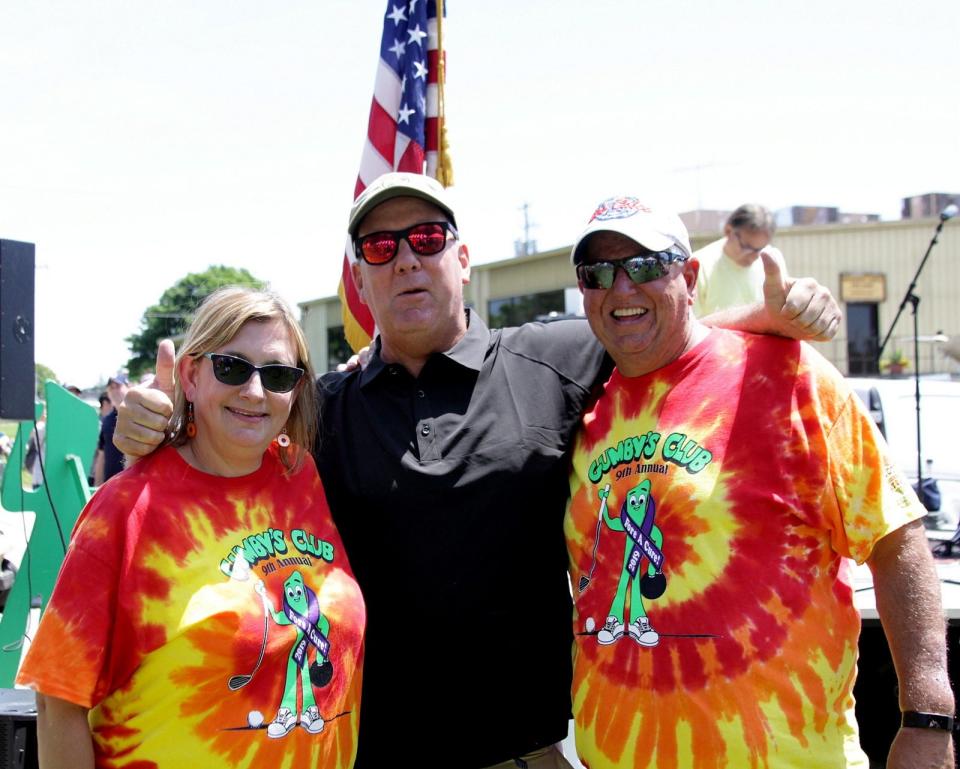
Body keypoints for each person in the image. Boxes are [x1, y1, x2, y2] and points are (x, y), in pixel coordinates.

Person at [114, 173, 841, 769]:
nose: (406, 258)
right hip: (377, 752)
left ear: (462, 260)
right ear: (359, 279)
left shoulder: (557, 358)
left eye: (428, 239)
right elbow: (230, 441)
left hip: (534, 753)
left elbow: (655, 326)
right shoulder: (320, 408)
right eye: (380, 245)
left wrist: (771, 316)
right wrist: (158, 422)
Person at [564, 195, 954, 769]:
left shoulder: (788, 376)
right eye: (598, 274)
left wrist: (929, 717)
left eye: (646, 266)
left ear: (690, 276)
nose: (621, 289)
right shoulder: (582, 410)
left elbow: (897, 540)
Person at [17, 287, 365, 769]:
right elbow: (58, 702)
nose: (255, 391)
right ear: (191, 374)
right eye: (232, 367)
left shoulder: (301, 475)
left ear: (298, 388)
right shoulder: (127, 507)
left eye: (279, 375)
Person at [693, 203, 787, 316]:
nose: (755, 256)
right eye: (746, 247)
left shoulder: (772, 260)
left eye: (760, 249)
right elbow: (693, 324)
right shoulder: (699, 264)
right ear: (728, 231)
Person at [93, 374, 129, 485]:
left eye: (118, 386)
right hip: (110, 485)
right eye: (111, 388)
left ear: (128, 387)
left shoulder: (138, 416)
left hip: (133, 485)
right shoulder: (107, 420)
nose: (114, 391)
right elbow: (101, 454)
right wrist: (97, 486)